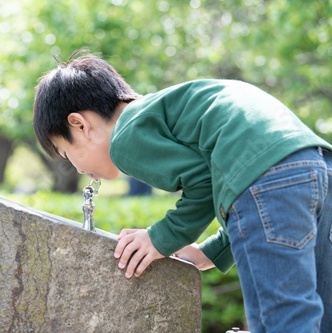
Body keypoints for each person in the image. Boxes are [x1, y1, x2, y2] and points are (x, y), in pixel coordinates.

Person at [32, 51, 332, 333]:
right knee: (318, 311)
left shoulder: (125, 137)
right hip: (314, 165)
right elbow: (247, 198)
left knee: (281, 318)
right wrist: (211, 252)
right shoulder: (165, 112)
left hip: (268, 177)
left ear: (80, 125)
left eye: (66, 153)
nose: (80, 171)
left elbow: (208, 182)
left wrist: (161, 237)